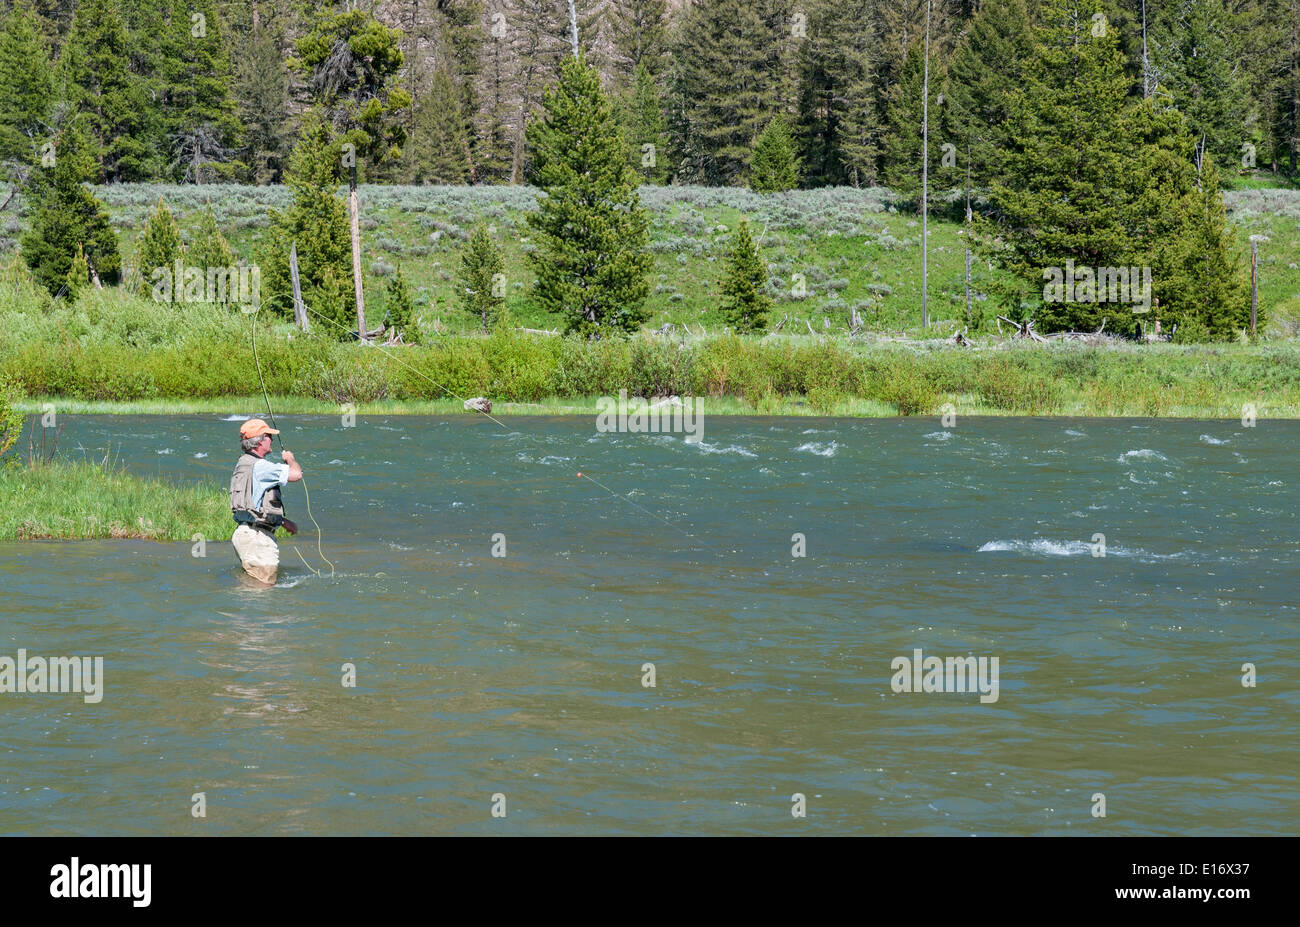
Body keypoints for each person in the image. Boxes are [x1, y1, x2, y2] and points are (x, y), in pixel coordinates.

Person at [228, 418, 302, 585]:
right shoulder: (261, 467)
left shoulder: (243, 463)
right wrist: (290, 459)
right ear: (259, 441)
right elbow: (296, 474)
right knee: (263, 592)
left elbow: (254, 505)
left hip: (245, 534)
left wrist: (282, 522)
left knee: (253, 589)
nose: (272, 440)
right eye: (269, 436)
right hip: (257, 539)